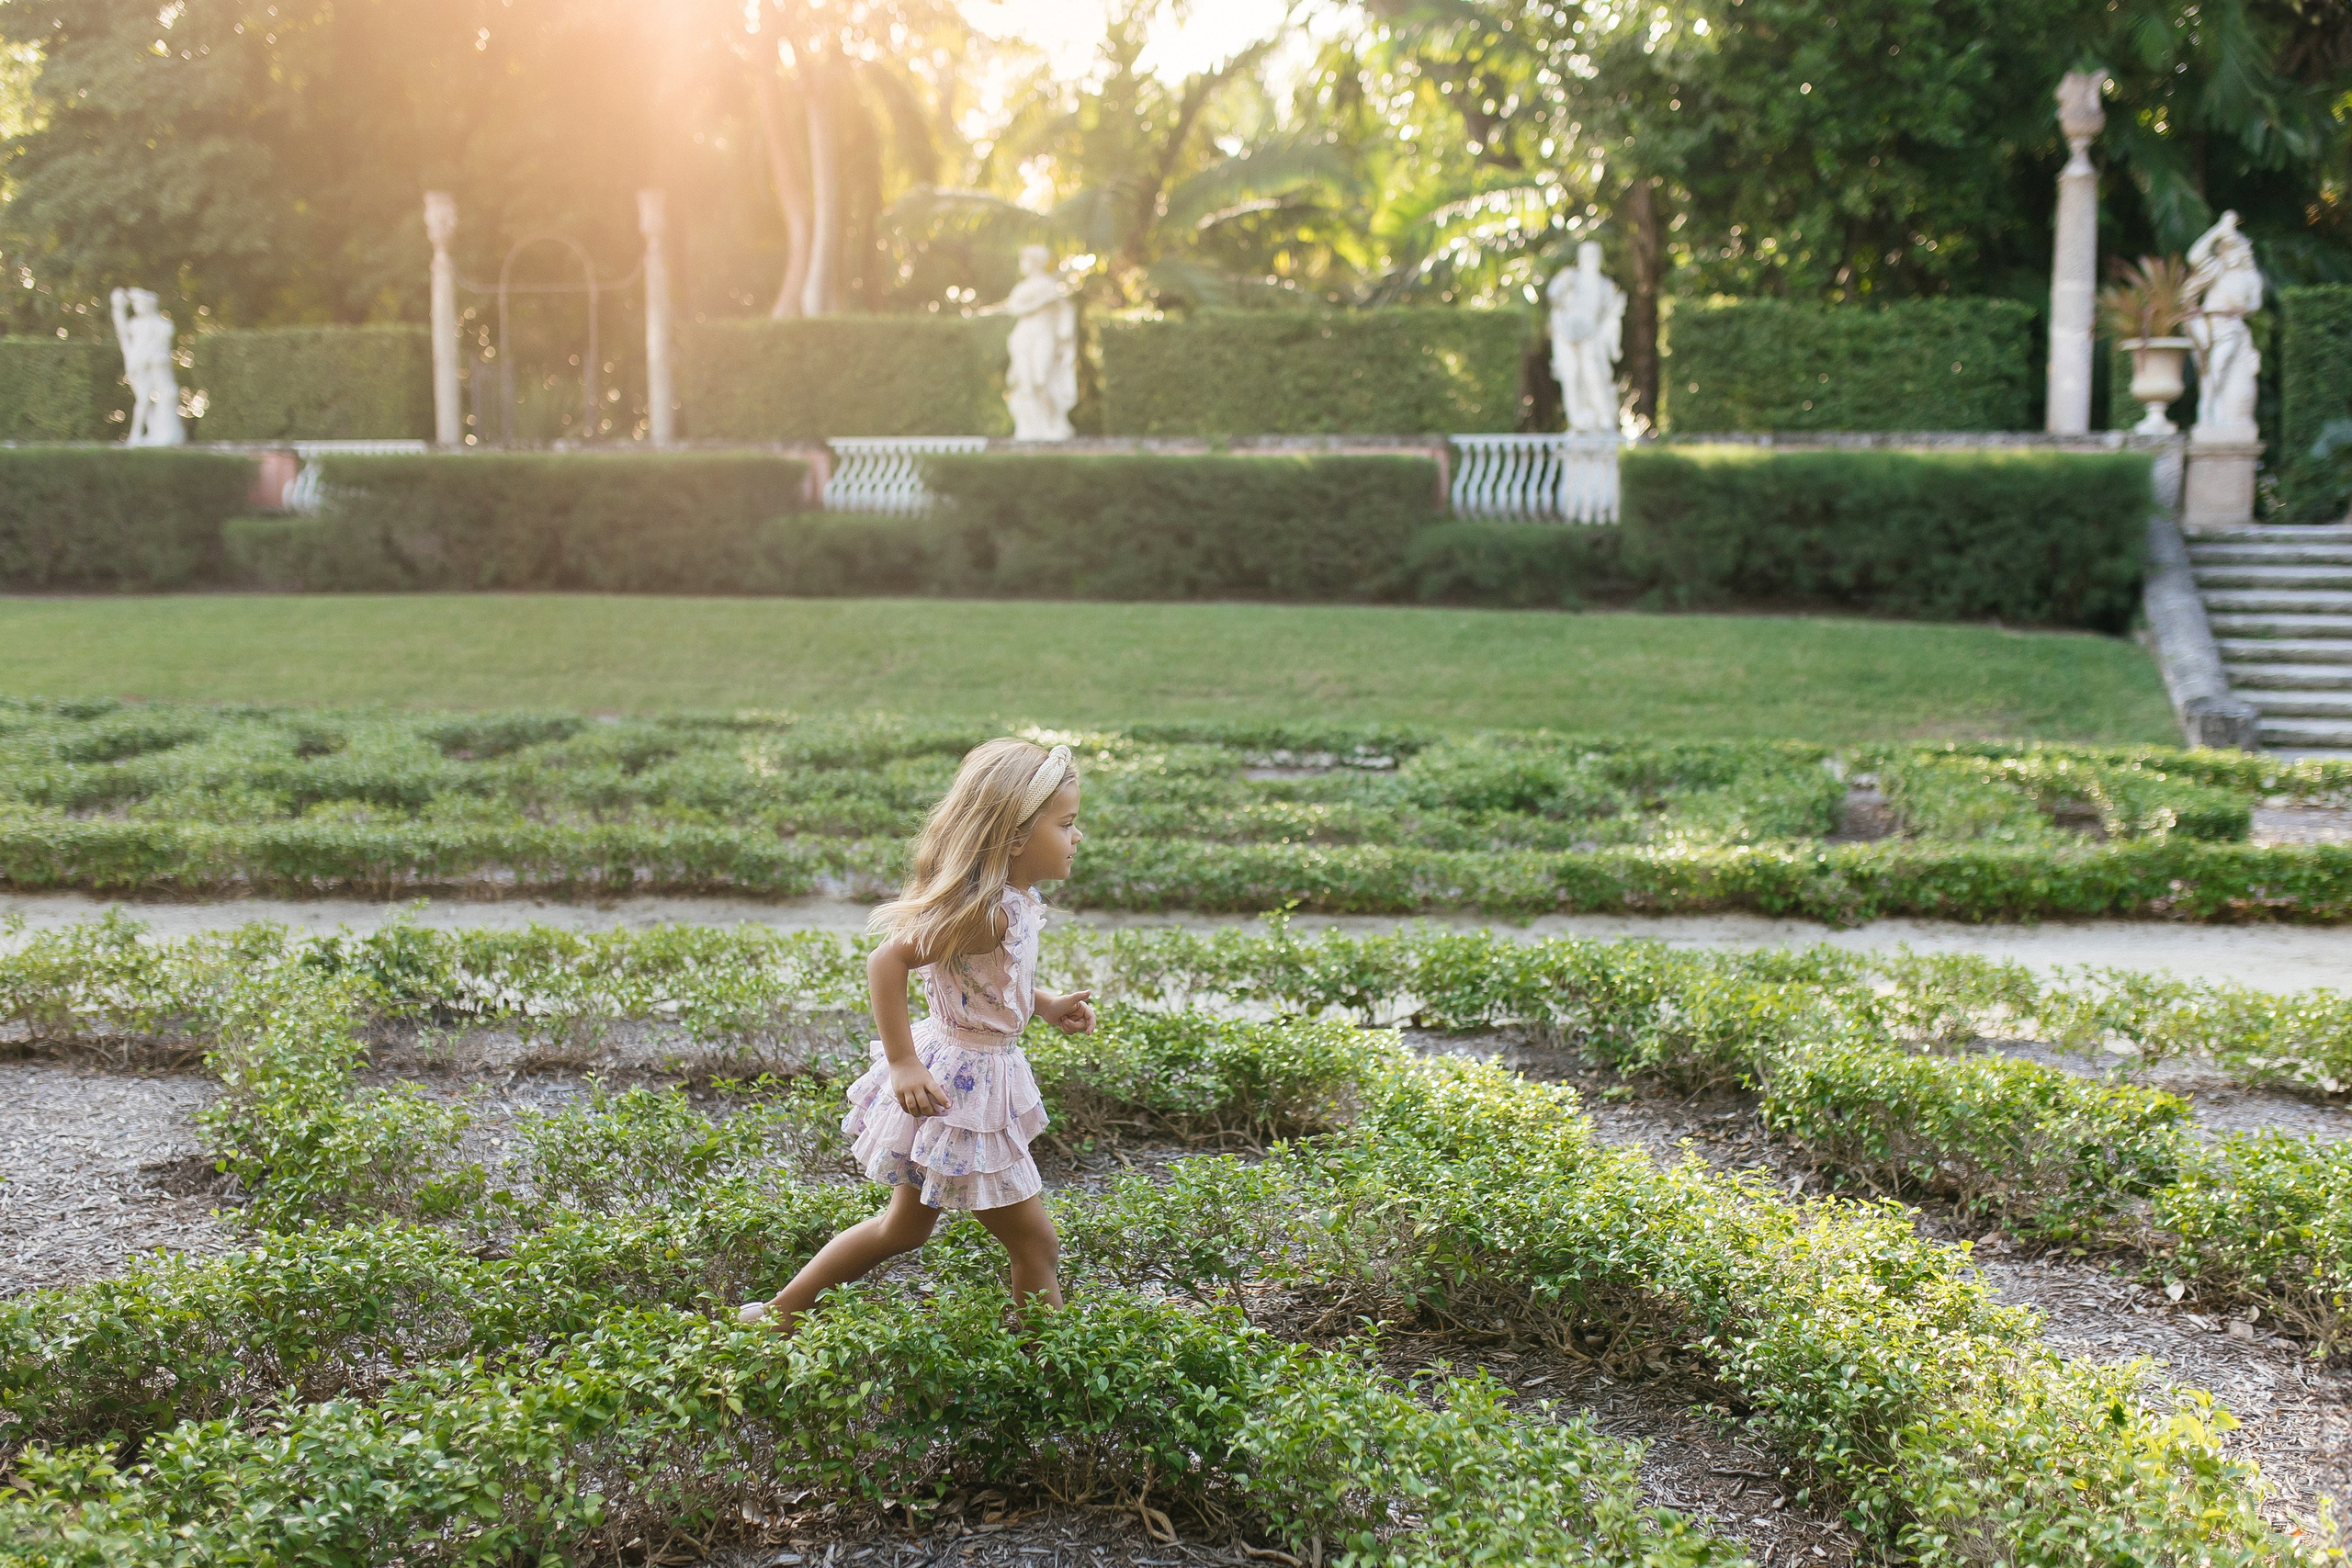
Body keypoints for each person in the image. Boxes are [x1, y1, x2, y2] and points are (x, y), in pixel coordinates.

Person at [741, 738, 1095, 1332]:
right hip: (961, 1092)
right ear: (1013, 836)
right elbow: (887, 960)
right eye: (1066, 824)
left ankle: (775, 1315)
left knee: (901, 1228)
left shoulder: (1016, 900)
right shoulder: (984, 914)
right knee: (1036, 1243)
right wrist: (903, 1062)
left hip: (967, 1074)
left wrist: (1045, 1002)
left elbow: (986, 985)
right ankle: (1053, 1383)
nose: (1077, 837)